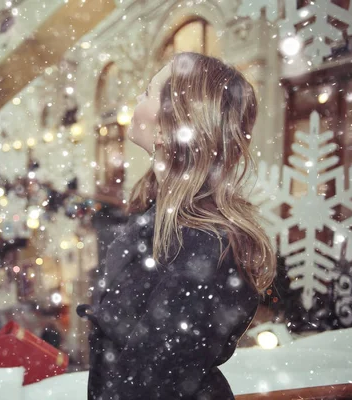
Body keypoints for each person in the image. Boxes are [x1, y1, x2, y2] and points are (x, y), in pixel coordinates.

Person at [76, 52, 276, 400]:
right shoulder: (162, 213)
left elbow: (148, 383)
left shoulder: (207, 245)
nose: (136, 101)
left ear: (170, 127)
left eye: (147, 92)